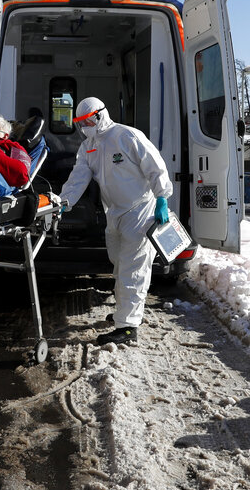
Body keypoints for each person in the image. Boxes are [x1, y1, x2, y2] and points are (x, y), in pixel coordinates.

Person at [59, 97, 172, 346]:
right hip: (115, 213)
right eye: (80, 123)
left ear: (100, 115)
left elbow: (156, 167)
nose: (85, 126)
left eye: (88, 120)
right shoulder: (88, 147)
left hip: (140, 210)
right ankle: (124, 312)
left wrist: (162, 197)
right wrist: (63, 203)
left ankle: (128, 327)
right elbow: (79, 178)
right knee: (119, 266)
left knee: (134, 269)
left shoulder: (127, 136)